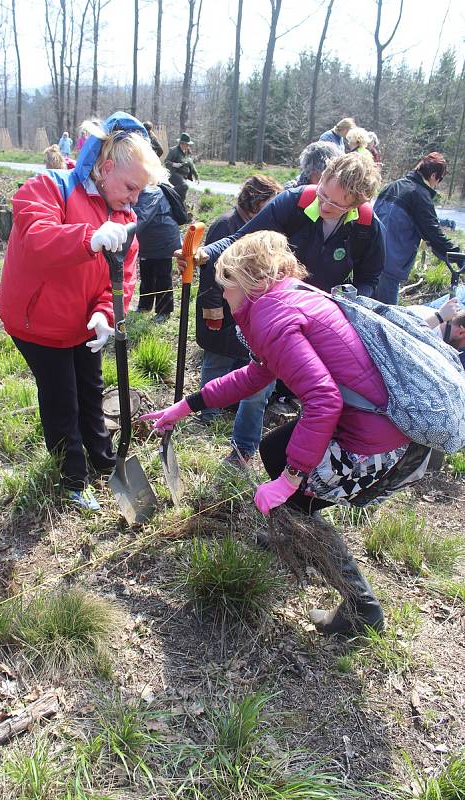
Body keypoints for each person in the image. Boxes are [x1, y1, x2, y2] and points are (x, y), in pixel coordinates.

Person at [143, 230, 425, 637]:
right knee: (275, 448)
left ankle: (362, 609)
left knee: (296, 500)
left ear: (247, 281)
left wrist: (289, 481)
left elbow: (324, 399)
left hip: (374, 441)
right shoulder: (286, 296)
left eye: (226, 286)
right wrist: (186, 406)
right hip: (374, 419)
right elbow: (258, 373)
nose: (222, 296)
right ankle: (286, 534)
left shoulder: (271, 317)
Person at [0, 112, 165, 510]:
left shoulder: (123, 218)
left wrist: (105, 314)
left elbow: (122, 278)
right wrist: (88, 238)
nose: (134, 199)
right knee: (62, 399)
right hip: (38, 322)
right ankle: (72, 480)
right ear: (106, 168)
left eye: (140, 192)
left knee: (91, 390)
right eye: (130, 187)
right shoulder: (49, 187)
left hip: (83, 323)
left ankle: (103, 460)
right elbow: (37, 240)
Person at [194, 153, 384, 299]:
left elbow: (369, 279)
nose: (324, 206)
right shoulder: (294, 202)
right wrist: (204, 253)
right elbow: (239, 239)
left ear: (354, 205)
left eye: (335, 204)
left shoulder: (366, 227)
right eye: (323, 194)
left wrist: (347, 300)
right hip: (279, 301)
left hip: (327, 311)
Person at [197, 175, 282, 464]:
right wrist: (213, 309)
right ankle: (207, 413)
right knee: (216, 359)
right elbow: (208, 271)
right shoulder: (225, 225)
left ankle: (225, 406)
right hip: (219, 306)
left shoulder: (260, 228)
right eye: (269, 204)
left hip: (240, 307)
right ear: (255, 201)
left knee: (234, 356)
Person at [375, 153, 459, 305]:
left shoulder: (392, 186)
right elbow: (435, 236)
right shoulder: (419, 196)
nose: (437, 184)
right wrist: (459, 257)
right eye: (439, 180)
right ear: (434, 176)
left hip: (369, 260)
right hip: (390, 267)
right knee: (386, 320)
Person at [133, 184, 182, 323]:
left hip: (163, 239)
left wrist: (124, 232)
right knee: (146, 274)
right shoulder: (138, 189)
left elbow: (140, 218)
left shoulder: (152, 192)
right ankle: (144, 306)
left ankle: (164, 311)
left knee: (163, 277)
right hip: (148, 240)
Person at [165, 132, 199, 202]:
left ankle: (179, 206)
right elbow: (166, 162)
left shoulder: (188, 152)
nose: (188, 146)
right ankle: (166, 194)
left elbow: (191, 164)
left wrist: (196, 175)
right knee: (185, 186)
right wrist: (174, 164)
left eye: (188, 144)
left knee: (182, 195)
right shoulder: (174, 150)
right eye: (187, 144)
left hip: (184, 176)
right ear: (182, 143)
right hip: (174, 175)